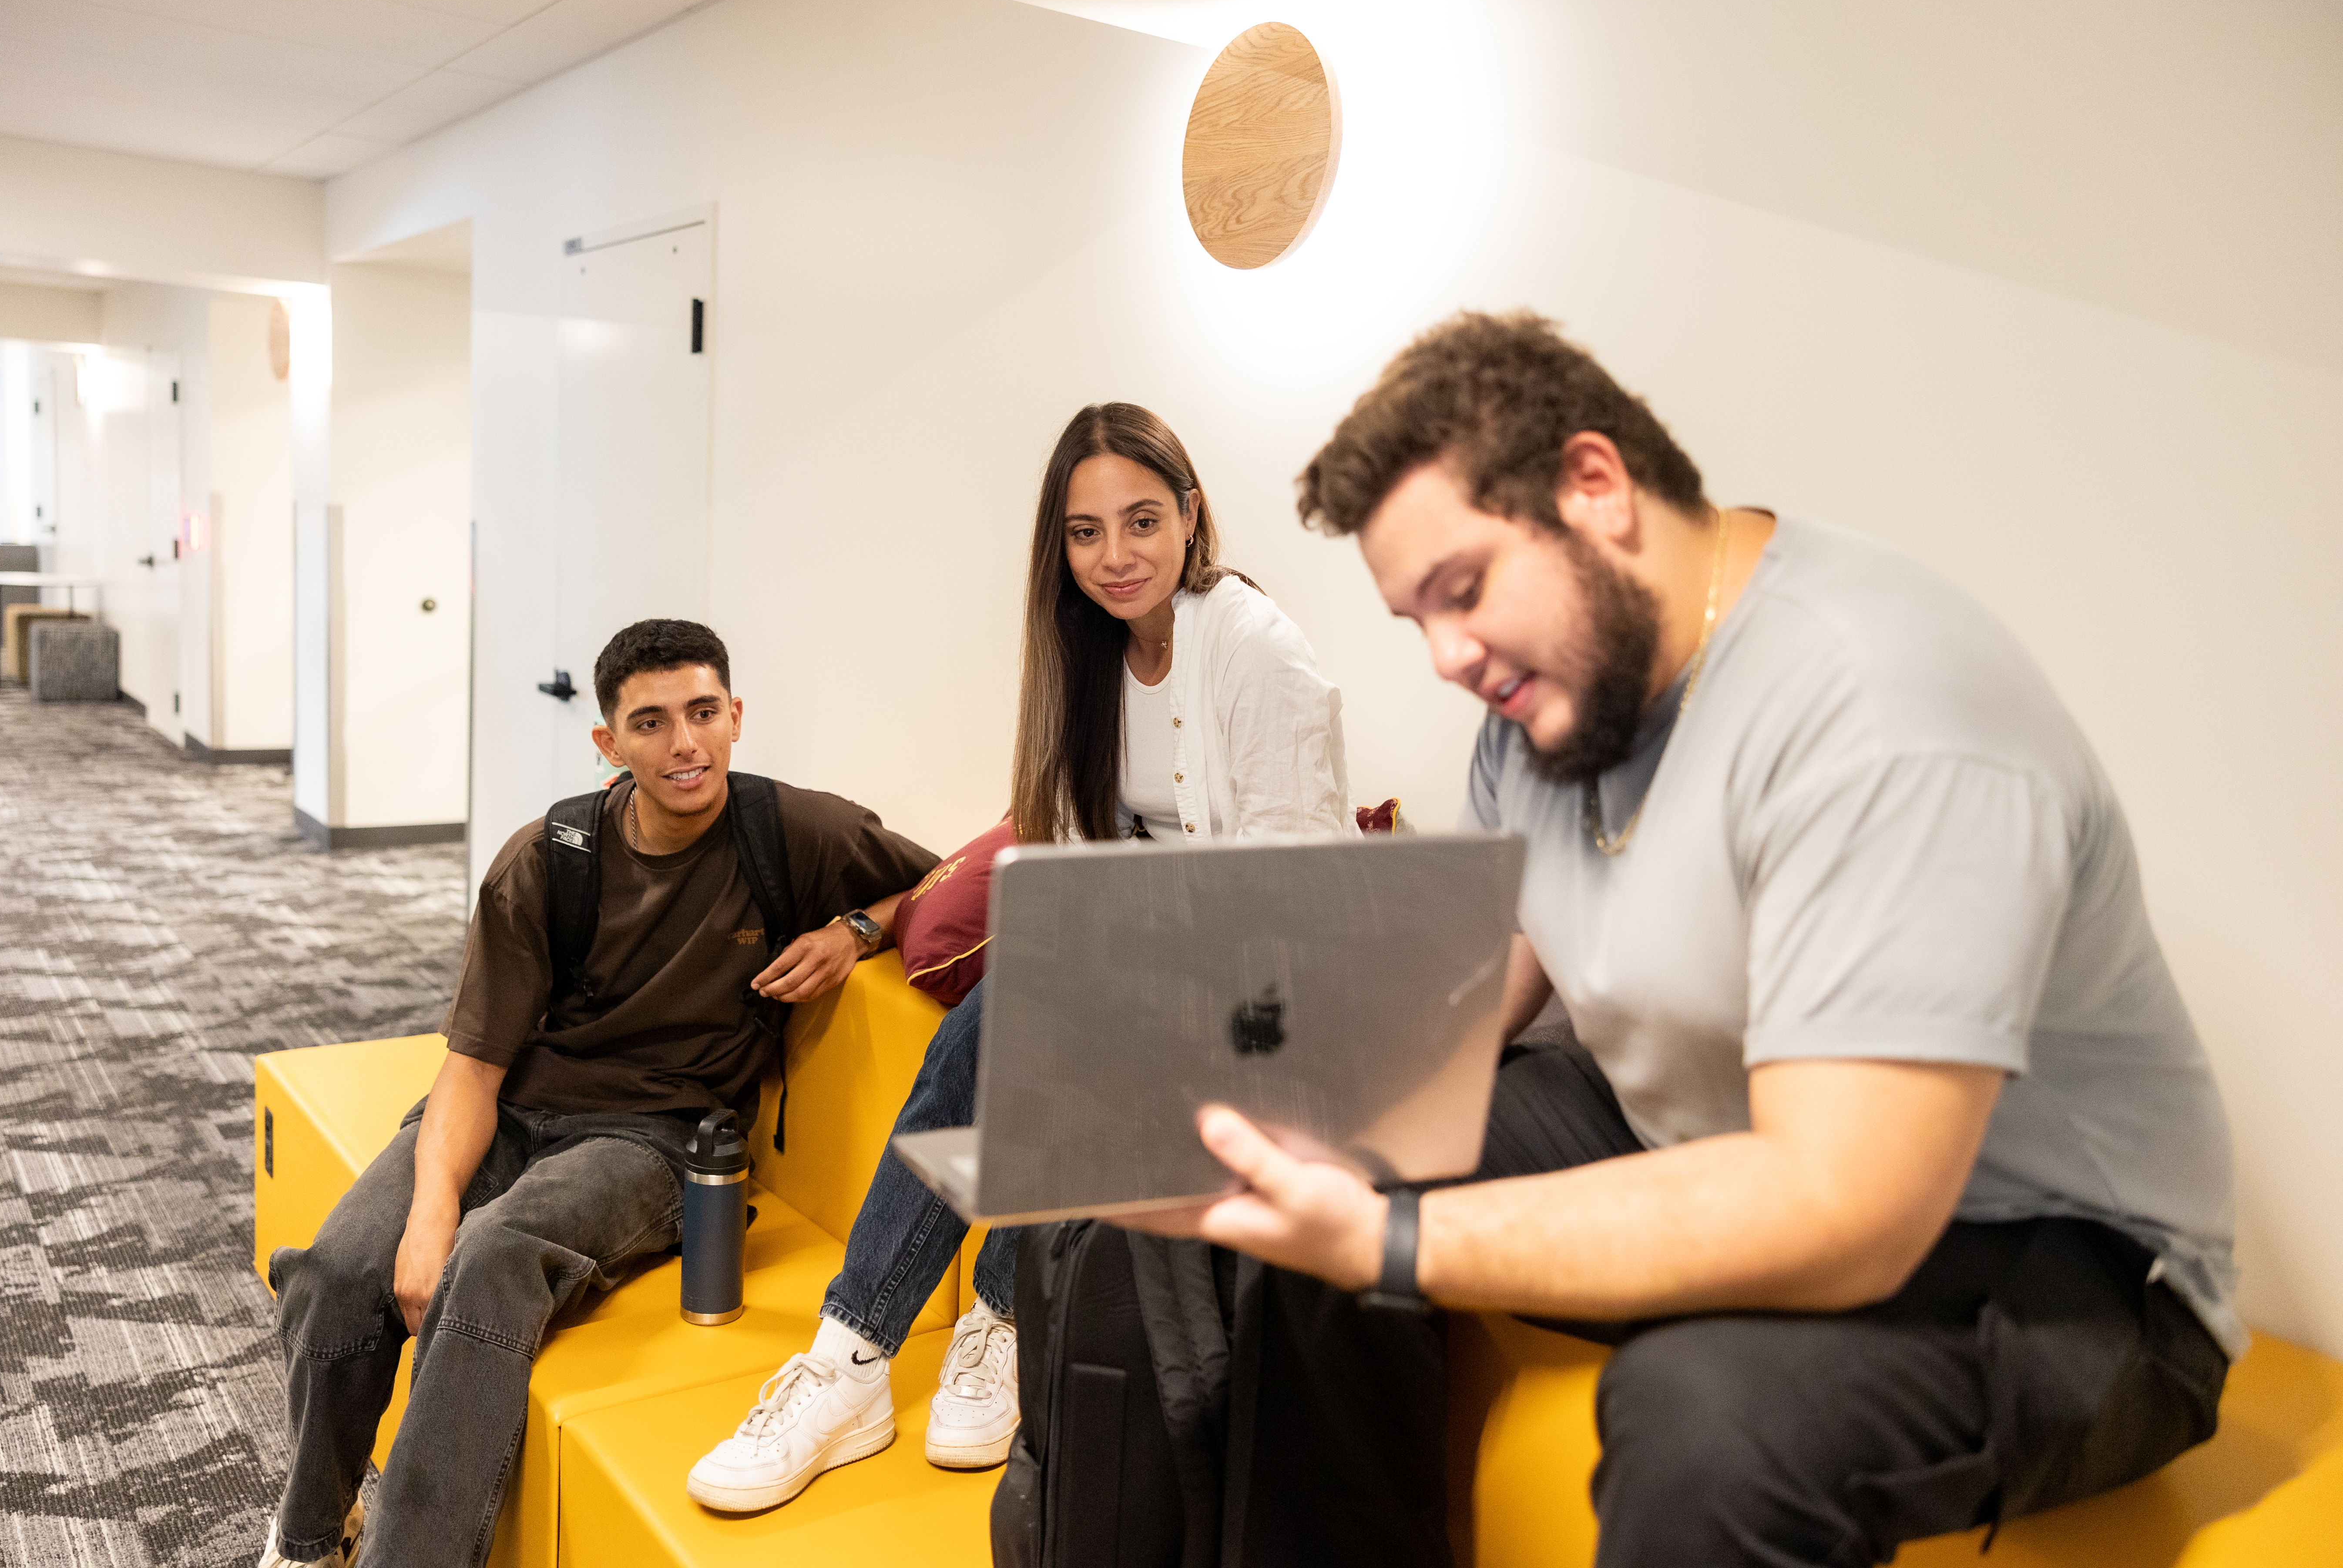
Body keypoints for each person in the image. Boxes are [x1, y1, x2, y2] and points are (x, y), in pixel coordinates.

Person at [1136, 312, 2240, 1566]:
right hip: (1712, 1135)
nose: (1446, 656)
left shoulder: (1884, 708)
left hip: (2052, 1259)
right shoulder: (1547, 706)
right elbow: (1458, 1002)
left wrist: (1391, 1238)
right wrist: (1238, 1091)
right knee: (1321, 1163)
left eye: (1464, 591)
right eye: (1414, 621)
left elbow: (1848, 1206)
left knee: (1704, 1418)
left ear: (1595, 489)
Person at [684, 402, 1357, 1513]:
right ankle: (870, 1358)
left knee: (1046, 1012)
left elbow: (1295, 892)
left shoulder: (1253, 647)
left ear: (1191, 515)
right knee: (1012, 1010)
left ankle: (955, 1329)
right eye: (1085, 533)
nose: (1115, 557)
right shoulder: (1087, 654)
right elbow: (1086, 861)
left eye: (1142, 521)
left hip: (1265, 989)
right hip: (1143, 959)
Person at [258, 618, 939, 1568]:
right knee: (337, 1272)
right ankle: (307, 1541)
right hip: (513, 1112)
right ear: (608, 743)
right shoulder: (548, 858)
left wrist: (859, 927)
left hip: (656, 1138)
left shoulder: (792, 832)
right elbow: (473, 1068)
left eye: (704, 714)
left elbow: (950, 884)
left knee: (492, 1254)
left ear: (737, 717)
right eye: (651, 723)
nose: (685, 744)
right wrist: (426, 1212)